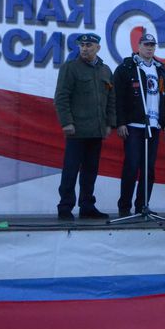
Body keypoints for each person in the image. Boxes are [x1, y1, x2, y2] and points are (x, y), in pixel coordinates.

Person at [53, 33, 116, 220]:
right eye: (82, 45)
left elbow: (111, 99)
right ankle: (65, 206)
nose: (85, 49)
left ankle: (87, 206)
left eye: (89, 45)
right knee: (71, 170)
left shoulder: (105, 70)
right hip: (77, 129)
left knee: (90, 172)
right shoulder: (70, 68)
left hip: (96, 130)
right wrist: (66, 122)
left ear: (98, 48)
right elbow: (61, 97)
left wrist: (109, 123)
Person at [113, 33, 165, 217]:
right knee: (132, 166)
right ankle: (124, 207)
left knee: (149, 169)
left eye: (152, 45)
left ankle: (142, 206)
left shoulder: (159, 69)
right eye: (146, 44)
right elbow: (118, 97)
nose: (149, 48)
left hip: (153, 125)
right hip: (134, 125)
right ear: (138, 46)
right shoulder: (127, 67)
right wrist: (121, 122)